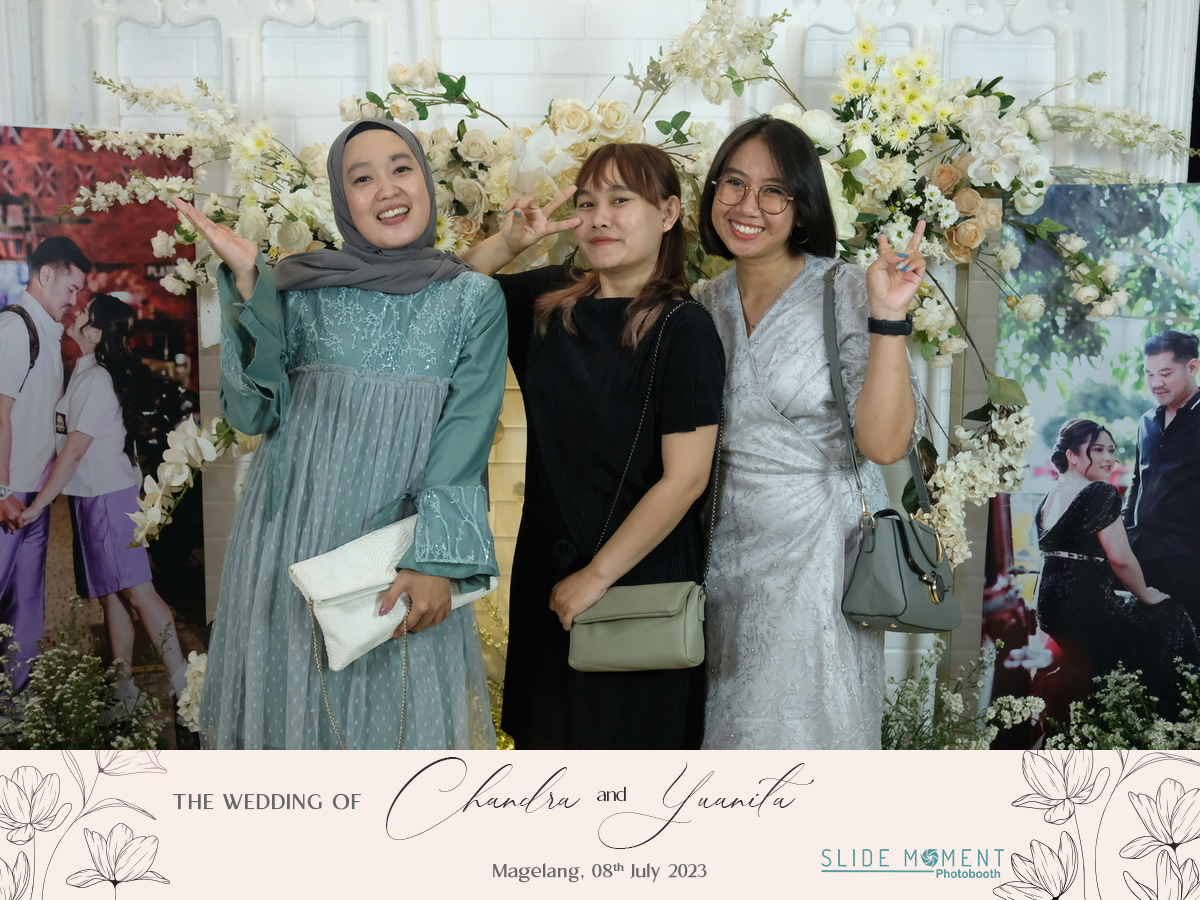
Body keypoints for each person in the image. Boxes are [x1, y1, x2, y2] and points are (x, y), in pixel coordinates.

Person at [175, 118, 506, 749]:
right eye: (362, 178)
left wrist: (436, 559)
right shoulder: (300, 289)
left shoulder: (473, 299)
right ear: (341, 198)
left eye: (401, 168)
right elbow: (251, 415)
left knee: (398, 731)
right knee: (296, 729)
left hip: (397, 547)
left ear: (425, 179)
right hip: (291, 540)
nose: (388, 188)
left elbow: (467, 431)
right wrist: (248, 284)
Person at [464, 142, 725, 749]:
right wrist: (509, 243)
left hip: (640, 582)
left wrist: (596, 577)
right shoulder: (548, 305)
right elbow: (443, 298)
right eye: (586, 203)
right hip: (548, 578)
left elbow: (686, 478)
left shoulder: (685, 329)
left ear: (668, 213)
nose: (599, 218)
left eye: (620, 200)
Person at [694, 115, 924, 750]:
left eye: (774, 191)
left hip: (820, 559)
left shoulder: (846, 289)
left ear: (802, 206)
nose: (748, 206)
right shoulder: (701, 302)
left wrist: (888, 315)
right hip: (719, 560)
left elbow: (884, 445)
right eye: (734, 183)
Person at [19, 293, 188, 704]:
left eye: (85, 312)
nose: (75, 312)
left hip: (108, 500)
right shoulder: (86, 371)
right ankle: (123, 689)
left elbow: (75, 451)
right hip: (95, 497)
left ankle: (187, 686)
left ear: (95, 333)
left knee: (139, 592)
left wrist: (39, 505)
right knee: (112, 594)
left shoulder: (95, 380)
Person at [1036, 418, 1199, 712]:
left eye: (1111, 450)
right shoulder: (1099, 492)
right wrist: (1146, 594)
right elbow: (1121, 559)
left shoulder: (1052, 494)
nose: (1109, 458)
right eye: (1098, 450)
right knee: (1170, 615)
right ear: (1071, 455)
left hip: (1048, 607)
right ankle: (1169, 714)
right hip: (1082, 608)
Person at [0, 236, 90, 689]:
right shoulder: (15, 329)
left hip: (34, 494)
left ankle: (18, 704)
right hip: (9, 491)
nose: (74, 301)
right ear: (46, 274)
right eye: (71, 289)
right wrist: (2, 491)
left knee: (27, 606)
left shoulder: (47, 333)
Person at [1123, 330, 1200, 624]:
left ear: (1192, 367)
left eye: (1166, 373)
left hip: (1189, 564)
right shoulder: (1146, 421)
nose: (1156, 383)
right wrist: (1127, 529)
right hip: (1142, 558)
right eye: (1149, 374)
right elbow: (1137, 480)